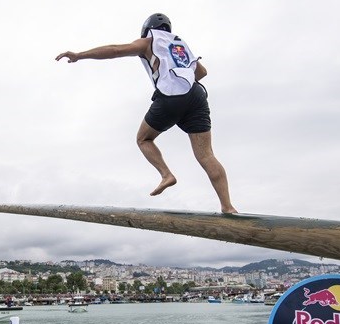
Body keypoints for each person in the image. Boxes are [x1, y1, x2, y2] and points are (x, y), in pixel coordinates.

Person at [56, 13, 238, 214]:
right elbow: (201, 72)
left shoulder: (148, 42)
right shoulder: (179, 45)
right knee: (206, 155)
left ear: (147, 29)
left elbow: (116, 50)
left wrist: (79, 55)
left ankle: (166, 175)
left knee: (143, 139)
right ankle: (228, 207)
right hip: (196, 96)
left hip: (171, 96)